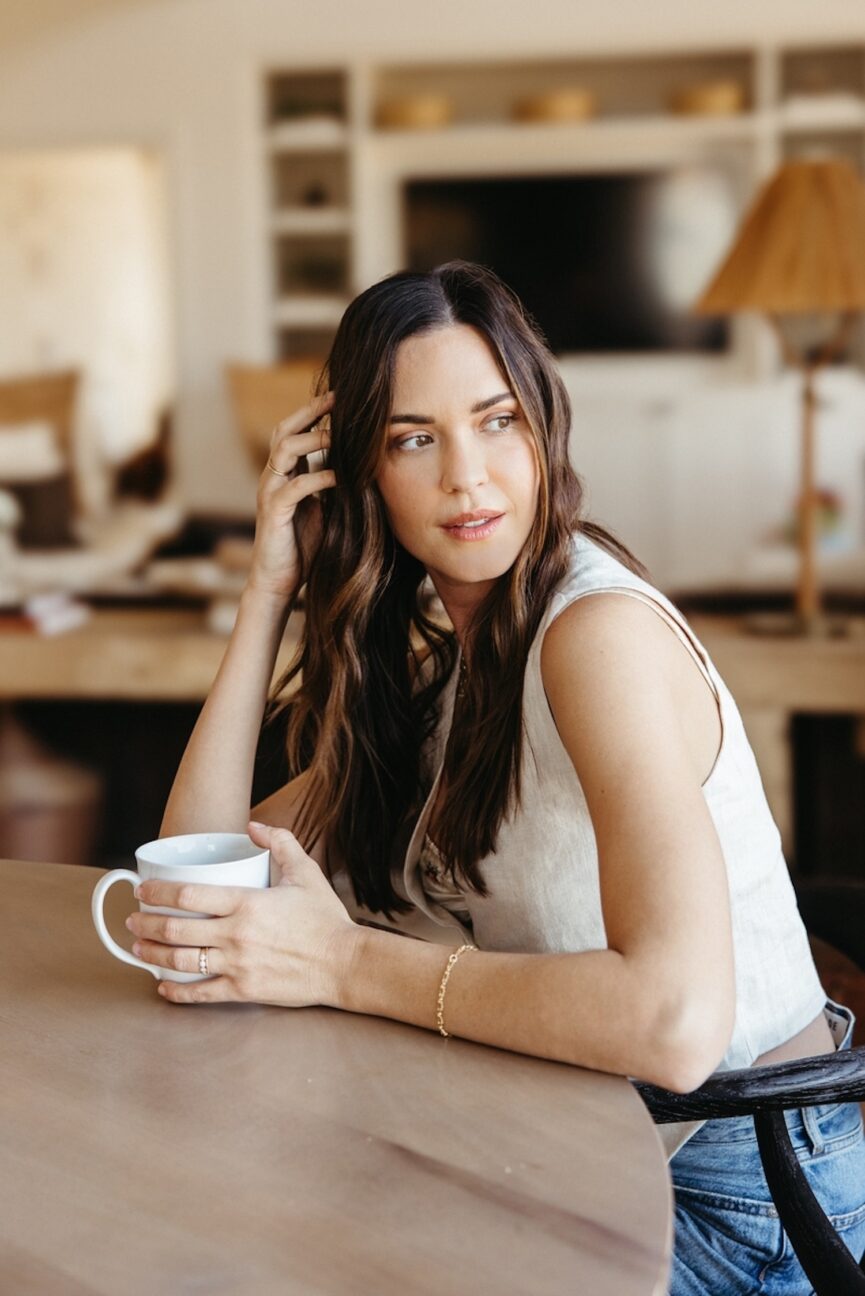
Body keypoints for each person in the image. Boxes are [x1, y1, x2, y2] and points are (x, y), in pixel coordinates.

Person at [128, 261, 865, 1293]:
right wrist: (267, 591)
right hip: (583, 1146)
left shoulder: (594, 636)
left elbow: (676, 1023)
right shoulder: (447, 668)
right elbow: (197, 890)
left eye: (496, 421)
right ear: (361, 476)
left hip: (741, 1183)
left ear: (542, 431)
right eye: (413, 440)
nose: (465, 478)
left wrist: (344, 966)